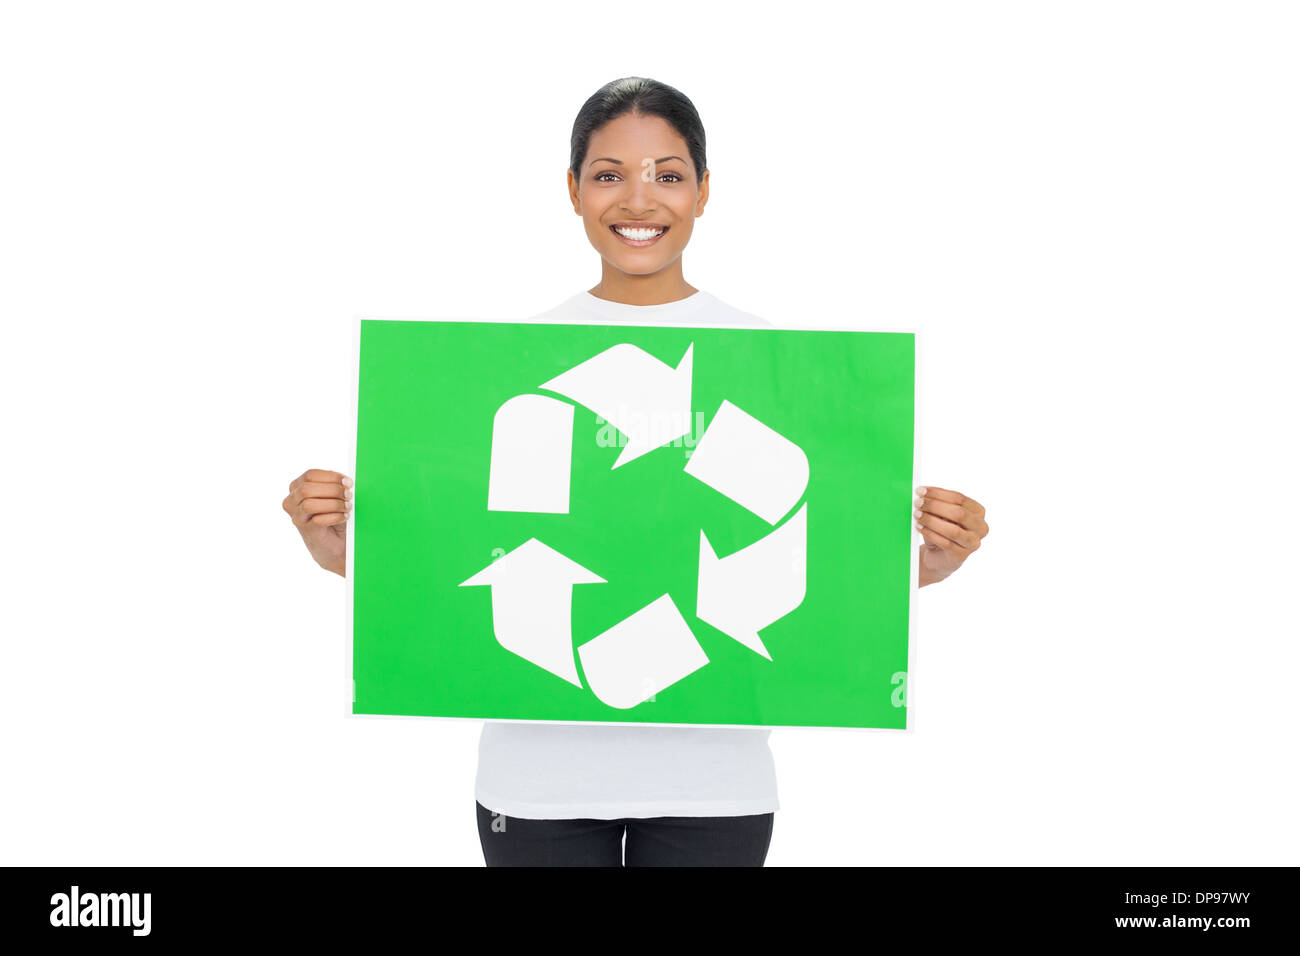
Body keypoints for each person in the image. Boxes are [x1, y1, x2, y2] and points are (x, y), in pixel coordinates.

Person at [282, 77, 991, 867]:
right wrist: (333, 544)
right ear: (574, 191)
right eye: (609, 174)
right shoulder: (503, 368)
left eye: (669, 174)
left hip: (713, 784)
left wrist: (925, 563)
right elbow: (455, 559)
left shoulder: (778, 370)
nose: (639, 199)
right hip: (538, 779)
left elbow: (806, 564)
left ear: (704, 191)